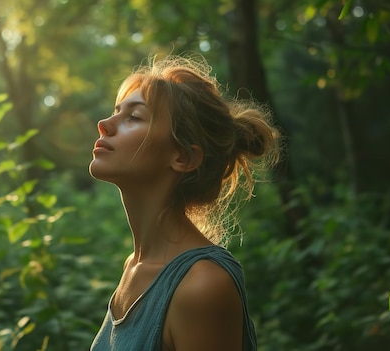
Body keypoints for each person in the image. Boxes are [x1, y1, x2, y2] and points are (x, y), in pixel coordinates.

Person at [89, 54, 280, 351]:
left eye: (134, 117)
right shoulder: (133, 266)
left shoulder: (202, 284)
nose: (104, 124)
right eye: (116, 112)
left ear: (183, 157)